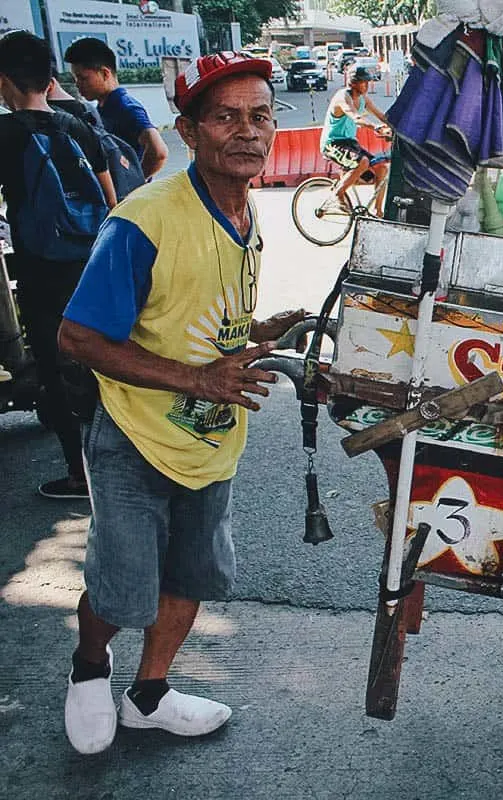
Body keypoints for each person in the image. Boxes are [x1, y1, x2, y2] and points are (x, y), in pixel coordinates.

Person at [57, 51, 305, 755]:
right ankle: (88, 668)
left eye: (260, 115)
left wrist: (257, 332)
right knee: (120, 589)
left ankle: (150, 695)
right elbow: (76, 335)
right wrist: (200, 381)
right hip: (135, 439)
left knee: (191, 575)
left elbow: (191, 312)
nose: (248, 132)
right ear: (189, 131)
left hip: (212, 442)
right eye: (225, 117)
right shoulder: (143, 219)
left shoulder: (245, 208)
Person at [0, 31, 117, 499]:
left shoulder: (5, 135)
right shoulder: (77, 125)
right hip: (90, 268)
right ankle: (119, 462)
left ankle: (79, 475)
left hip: (40, 274)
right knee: (101, 365)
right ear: (50, 79)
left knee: (55, 368)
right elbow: (111, 201)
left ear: (4, 80)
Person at [63, 37, 169, 179]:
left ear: (105, 73)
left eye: (83, 78)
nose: (77, 84)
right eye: (75, 79)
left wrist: (134, 183)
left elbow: (159, 152)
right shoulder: (102, 107)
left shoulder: (126, 107)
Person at [320, 66, 391, 216]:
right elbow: (355, 117)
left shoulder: (363, 99)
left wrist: (396, 127)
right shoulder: (342, 97)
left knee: (381, 167)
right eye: (363, 82)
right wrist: (375, 127)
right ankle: (338, 194)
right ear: (353, 83)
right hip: (333, 144)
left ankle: (377, 211)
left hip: (350, 143)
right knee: (363, 162)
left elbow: (381, 116)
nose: (366, 85)